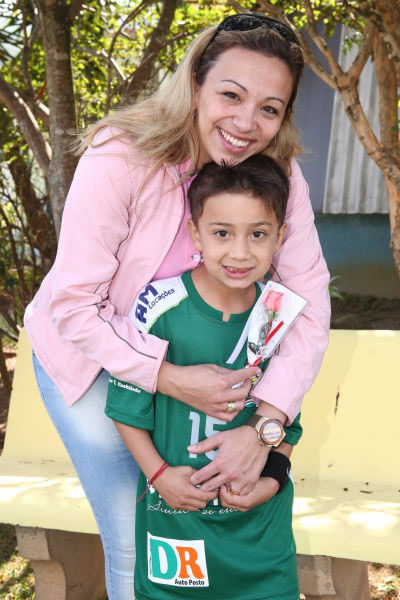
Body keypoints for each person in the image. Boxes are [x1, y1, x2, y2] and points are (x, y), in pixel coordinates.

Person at [25, 13, 330, 600]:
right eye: (231, 95)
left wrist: (264, 430)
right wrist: (165, 377)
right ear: (195, 85)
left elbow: (307, 304)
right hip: (94, 358)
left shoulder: (277, 177)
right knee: (136, 538)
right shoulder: (121, 156)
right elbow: (74, 305)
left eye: (269, 108)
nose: (246, 123)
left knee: (202, 537)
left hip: (208, 370)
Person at [106, 155, 303, 600]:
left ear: (280, 236)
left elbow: (287, 420)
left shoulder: (281, 314)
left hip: (260, 536)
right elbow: (124, 409)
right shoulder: (158, 307)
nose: (240, 252)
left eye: (258, 234)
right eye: (222, 233)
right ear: (195, 234)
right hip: (177, 527)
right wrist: (159, 475)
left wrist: (271, 480)